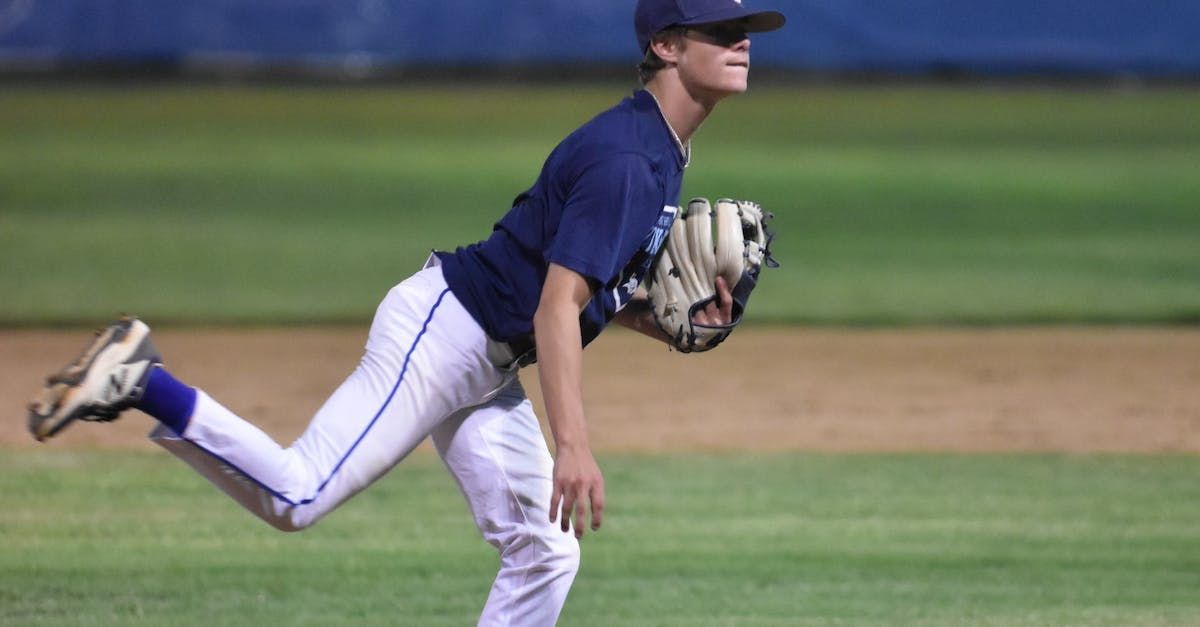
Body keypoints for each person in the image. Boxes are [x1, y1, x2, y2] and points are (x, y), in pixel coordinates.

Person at [28, 1, 785, 624]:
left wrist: (667, 319)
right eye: (721, 31)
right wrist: (574, 445)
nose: (742, 42)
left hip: (483, 358)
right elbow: (559, 307)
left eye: (744, 29)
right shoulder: (629, 159)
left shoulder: (658, 148)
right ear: (665, 44)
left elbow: (585, 283)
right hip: (443, 333)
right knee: (296, 495)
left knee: (547, 550)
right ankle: (141, 378)